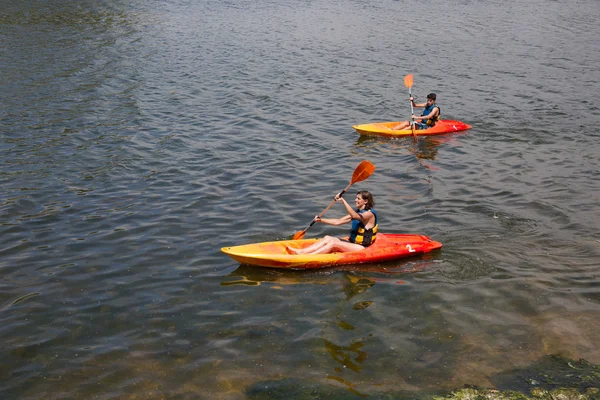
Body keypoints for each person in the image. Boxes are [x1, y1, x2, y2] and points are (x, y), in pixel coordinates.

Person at [286, 191, 378, 255]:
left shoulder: (369, 214)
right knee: (327, 238)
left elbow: (355, 217)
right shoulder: (358, 213)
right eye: (356, 198)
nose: (355, 200)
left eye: (358, 198)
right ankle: (301, 252)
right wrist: (321, 220)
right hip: (352, 243)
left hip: (361, 247)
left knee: (333, 243)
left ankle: (308, 257)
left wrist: (343, 201)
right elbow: (337, 222)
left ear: (365, 201)